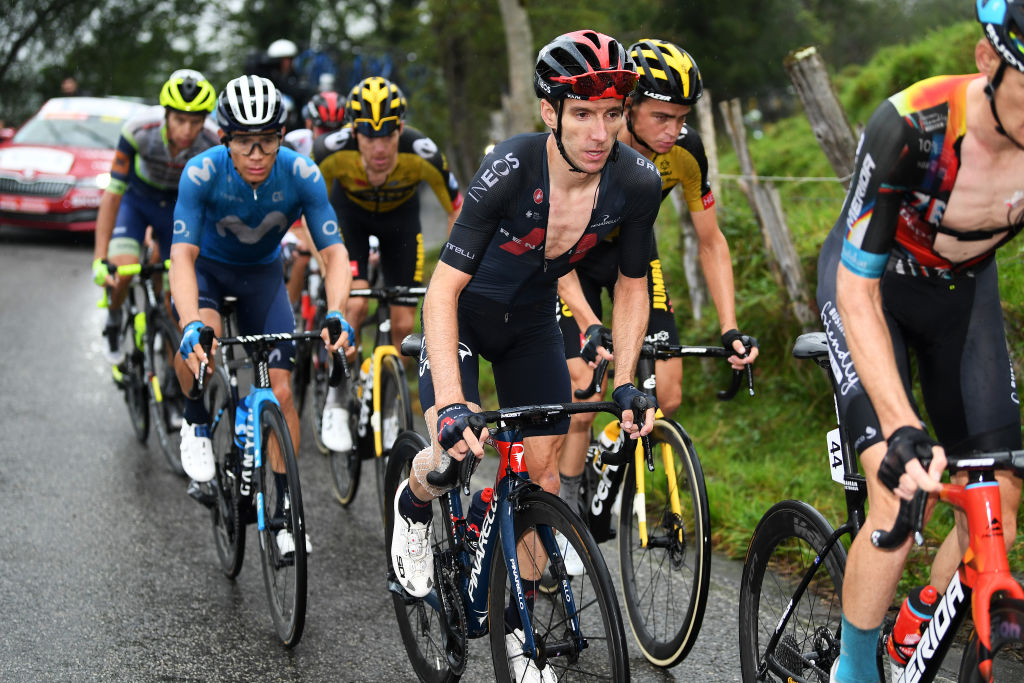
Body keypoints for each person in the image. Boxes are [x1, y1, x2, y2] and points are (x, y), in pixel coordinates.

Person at [388, 29, 662, 679]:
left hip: (533, 322)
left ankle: (515, 627)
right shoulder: (510, 168)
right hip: (463, 316)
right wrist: (453, 403)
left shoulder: (636, 181)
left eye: (613, 114)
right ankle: (415, 499)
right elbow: (444, 289)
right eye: (584, 114)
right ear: (550, 112)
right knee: (450, 449)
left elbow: (631, 285)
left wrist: (625, 380)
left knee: (540, 477)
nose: (601, 131)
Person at [818, 4, 1024, 681]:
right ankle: (854, 669)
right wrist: (902, 424)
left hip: (961, 293)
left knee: (999, 497)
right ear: (987, 61)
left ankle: (925, 613)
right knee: (900, 492)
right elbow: (856, 288)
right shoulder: (915, 125)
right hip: (869, 286)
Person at [553, 39, 758, 554]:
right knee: (582, 390)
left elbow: (711, 241)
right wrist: (587, 321)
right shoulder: (592, 145)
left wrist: (729, 327)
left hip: (635, 262)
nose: (673, 131)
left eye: (682, 119)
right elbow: (550, 248)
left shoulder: (685, 154)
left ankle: (609, 449)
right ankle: (566, 515)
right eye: (662, 117)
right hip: (571, 262)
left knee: (667, 392)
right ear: (629, 106)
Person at [170, 75, 354, 555]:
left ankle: (283, 516)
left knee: (283, 390)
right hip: (207, 276)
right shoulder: (201, 173)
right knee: (201, 345)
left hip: (262, 282)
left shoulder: (301, 173)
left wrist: (336, 312)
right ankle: (193, 416)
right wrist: (190, 322)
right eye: (245, 142)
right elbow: (182, 258)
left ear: (280, 138)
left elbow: (334, 254)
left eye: (267, 141)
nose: (257, 153)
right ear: (225, 140)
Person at [312, 76, 463, 452]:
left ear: (400, 129)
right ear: (353, 131)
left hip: (400, 226)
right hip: (350, 222)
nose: (379, 148)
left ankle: (391, 399)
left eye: (387, 136)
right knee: (356, 305)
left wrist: (453, 262)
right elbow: (304, 206)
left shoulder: (422, 151)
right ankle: (337, 397)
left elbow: (458, 207)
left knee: (402, 327)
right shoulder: (330, 150)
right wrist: (322, 259)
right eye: (368, 137)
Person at [91, 69, 220, 364]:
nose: (187, 130)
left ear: (204, 121)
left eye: (195, 122)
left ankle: (171, 356)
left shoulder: (213, 141)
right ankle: (113, 317)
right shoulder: (138, 130)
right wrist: (100, 258)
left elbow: (213, 206)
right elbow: (112, 196)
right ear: (166, 116)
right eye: (180, 120)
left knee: (177, 292)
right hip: (137, 201)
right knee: (123, 270)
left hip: (177, 206)